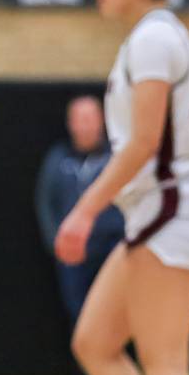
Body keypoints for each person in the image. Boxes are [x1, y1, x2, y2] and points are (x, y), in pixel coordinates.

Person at [55, 0, 189, 375]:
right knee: (94, 343)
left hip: (170, 210)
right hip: (151, 213)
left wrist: (83, 211)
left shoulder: (154, 39)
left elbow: (143, 142)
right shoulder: (150, 37)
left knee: (165, 365)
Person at [35, 95, 124, 325]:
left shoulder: (117, 158)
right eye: (80, 119)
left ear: (102, 121)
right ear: (70, 123)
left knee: (115, 315)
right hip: (73, 251)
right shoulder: (58, 158)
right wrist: (55, 240)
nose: (85, 126)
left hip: (113, 248)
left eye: (90, 119)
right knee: (81, 316)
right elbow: (45, 201)